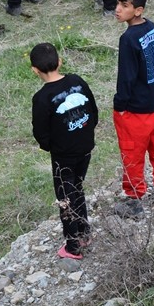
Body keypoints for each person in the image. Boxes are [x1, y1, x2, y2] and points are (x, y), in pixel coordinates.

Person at [30, 42, 97, 261]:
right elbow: (93, 112)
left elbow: (41, 132)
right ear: (60, 62)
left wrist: (51, 147)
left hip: (63, 157)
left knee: (65, 198)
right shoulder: (77, 81)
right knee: (77, 187)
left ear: (35, 70)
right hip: (85, 148)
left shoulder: (41, 99)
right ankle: (84, 232)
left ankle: (73, 246)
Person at [112, 0, 154, 218]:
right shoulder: (151, 28)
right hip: (153, 102)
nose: (117, 9)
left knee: (132, 154)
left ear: (138, 10)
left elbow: (126, 76)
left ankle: (134, 201)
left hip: (134, 109)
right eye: (118, 4)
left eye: (124, 6)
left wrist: (120, 105)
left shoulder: (128, 39)